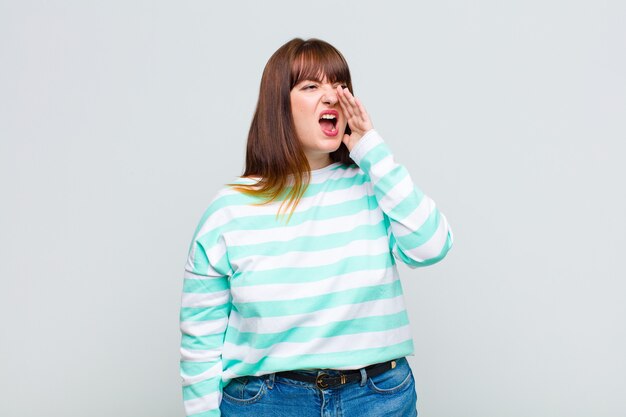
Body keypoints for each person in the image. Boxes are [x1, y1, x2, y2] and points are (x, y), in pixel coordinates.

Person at [179, 37, 454, 417]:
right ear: (278, 106)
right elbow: (201, 337)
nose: (332, 97)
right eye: (311, 86)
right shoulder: (230, 209)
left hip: (378, 398)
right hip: (268, 403)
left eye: (339, 85)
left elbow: (432, 245)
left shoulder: (375, 185)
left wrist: (371, 149)